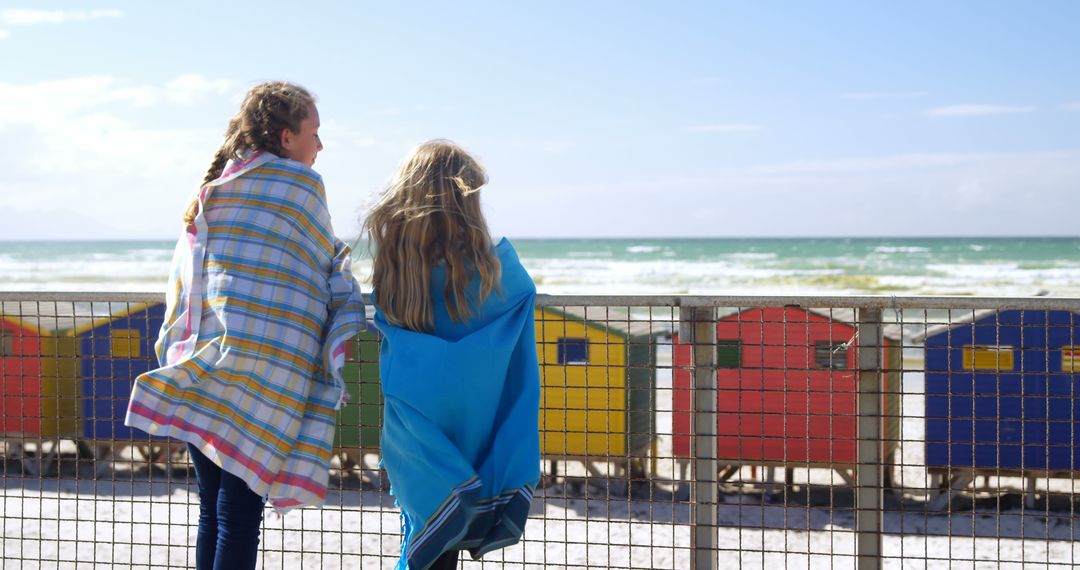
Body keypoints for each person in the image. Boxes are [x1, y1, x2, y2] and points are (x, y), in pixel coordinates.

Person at [124, 81, 364, 570]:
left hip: (204, 368)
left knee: (212, 513)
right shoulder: (301, 188)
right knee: (238, 518)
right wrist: (345, 321)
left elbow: (191, 284)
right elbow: (323, 270)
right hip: (261, 376)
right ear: (285, 137)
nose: (320, 145)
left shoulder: (216, 189)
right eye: (313, 133)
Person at [365, 140, 541, 570]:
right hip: (471, 415)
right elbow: (521, 295)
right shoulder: (488, 264)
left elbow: (387, 316)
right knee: (443, 532)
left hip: (413, 412)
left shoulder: (395, 260)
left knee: (425, 523)